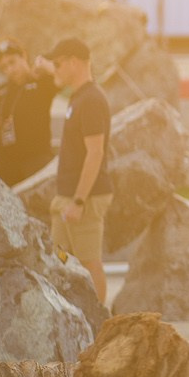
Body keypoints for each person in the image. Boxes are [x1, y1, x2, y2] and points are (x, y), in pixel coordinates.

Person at [47, 37, 111, 305]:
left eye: (57, 64)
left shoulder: (92, 100)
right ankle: (70, 317)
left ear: (73, 62)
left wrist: (79, 201)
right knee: (60, 257)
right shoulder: (78, 97)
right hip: (67, 196)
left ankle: (99, 321)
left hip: (85, 199)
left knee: (88, 262)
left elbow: (95, 153)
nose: (54, 70)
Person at [0, 39, 59, 186]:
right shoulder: (0, 91)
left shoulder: (41, 83)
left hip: (37, 161)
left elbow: (66, 80)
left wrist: (45, 65)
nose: (10, 69)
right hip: (7, 164)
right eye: (4, 67)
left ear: (23, 56)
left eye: (12, 62)